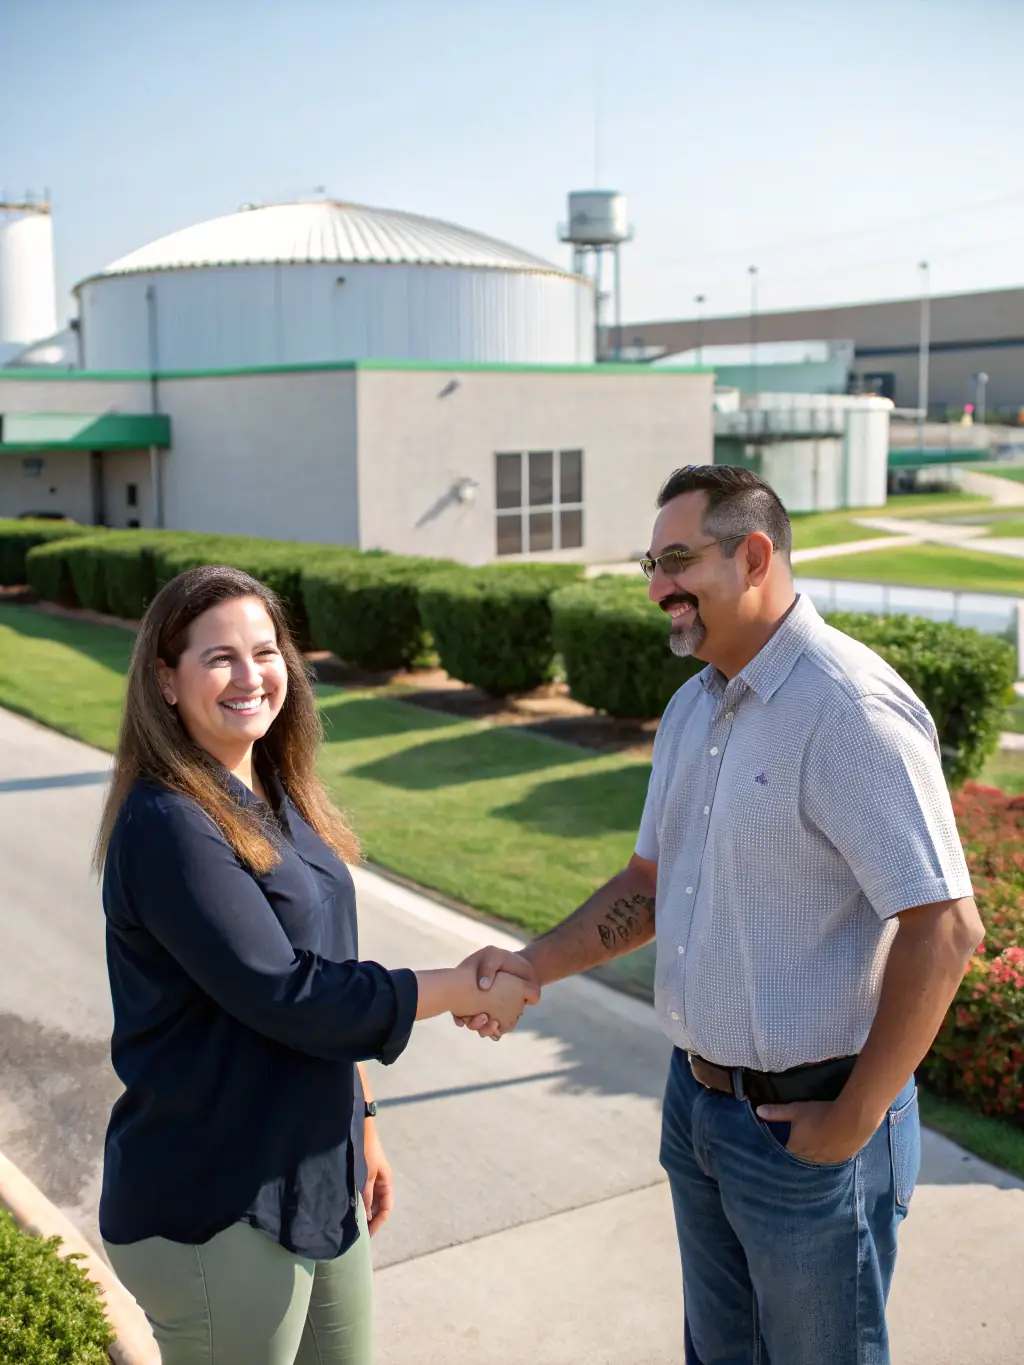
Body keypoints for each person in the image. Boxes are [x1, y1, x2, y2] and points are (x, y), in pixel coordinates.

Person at [462, 465, 984, 1365]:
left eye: (676, 559)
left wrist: (856, 1117)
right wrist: (529, 963)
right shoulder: (692, 706)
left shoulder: (847, 708)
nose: (659, 586)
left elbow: (945, 927)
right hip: (698, 1107)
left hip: (811, 1125)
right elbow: (650, 885)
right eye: (650, 564)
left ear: (752, 556)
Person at [95, 563, 538, 1365]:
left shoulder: (273, 789)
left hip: (315, 1170)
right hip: (216, 1199)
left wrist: (361, 1122)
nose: (251, 674)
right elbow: (289, 992)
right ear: (166, 679)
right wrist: (464, 985)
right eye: (218, 656)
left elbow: (331, 959)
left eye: (265, 650)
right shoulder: (167, 824)